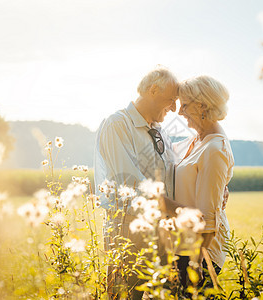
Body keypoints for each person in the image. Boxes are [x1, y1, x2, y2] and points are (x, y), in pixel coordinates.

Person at [94, 66, 179, 299]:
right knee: (128, 294)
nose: (174, 108)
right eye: (171, 100)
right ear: (153, 90)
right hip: (127, 229)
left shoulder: (160, 131)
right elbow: (131, 183)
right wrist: (178, 210)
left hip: (160, 231)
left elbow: (174, 171)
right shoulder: (117, 125)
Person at [161, 75, 234, 296]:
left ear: (202, 105)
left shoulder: (215, 149)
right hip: (183, 245)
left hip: (201, 252)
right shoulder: (198, 139)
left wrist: (196, 261)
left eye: (184, 105)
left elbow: (208, 217)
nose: (179, 112)